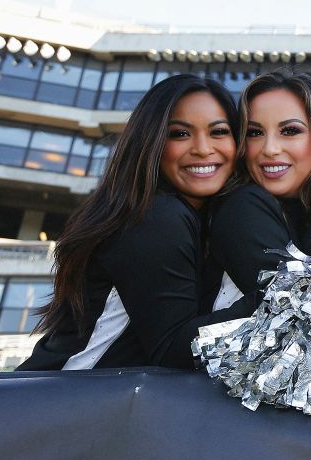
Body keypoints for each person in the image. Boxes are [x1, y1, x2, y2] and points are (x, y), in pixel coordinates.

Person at [20, 75, 257, 370]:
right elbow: (174, 348)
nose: (202, 148)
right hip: (64, 403)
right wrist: (279, 300)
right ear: (151, 143)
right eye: (180, 134)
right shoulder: (157, 216)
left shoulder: (181, 215)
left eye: (218, 131)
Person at [209, 69, 311, 306]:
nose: (270, 148)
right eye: (254, 132)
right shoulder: (243, 206)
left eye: (290, 131)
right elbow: (300, 309)